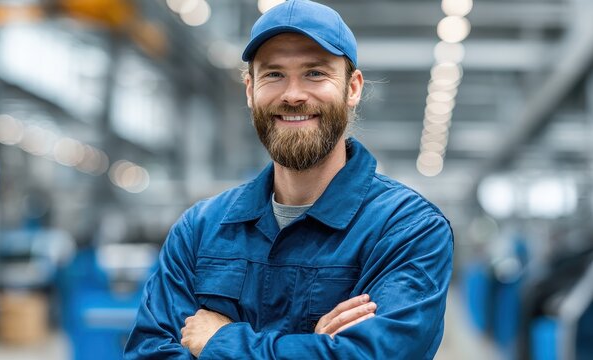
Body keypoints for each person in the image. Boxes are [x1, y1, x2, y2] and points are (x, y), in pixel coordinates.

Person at [124, 0, 453, 358]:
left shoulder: (408, 230)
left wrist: (222, 343)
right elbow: (149, 352)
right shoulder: (200, 231)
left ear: (352, 88)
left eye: (315, 73)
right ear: (250, 90)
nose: (293, 94)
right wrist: (317, 347)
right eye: (274, 74)